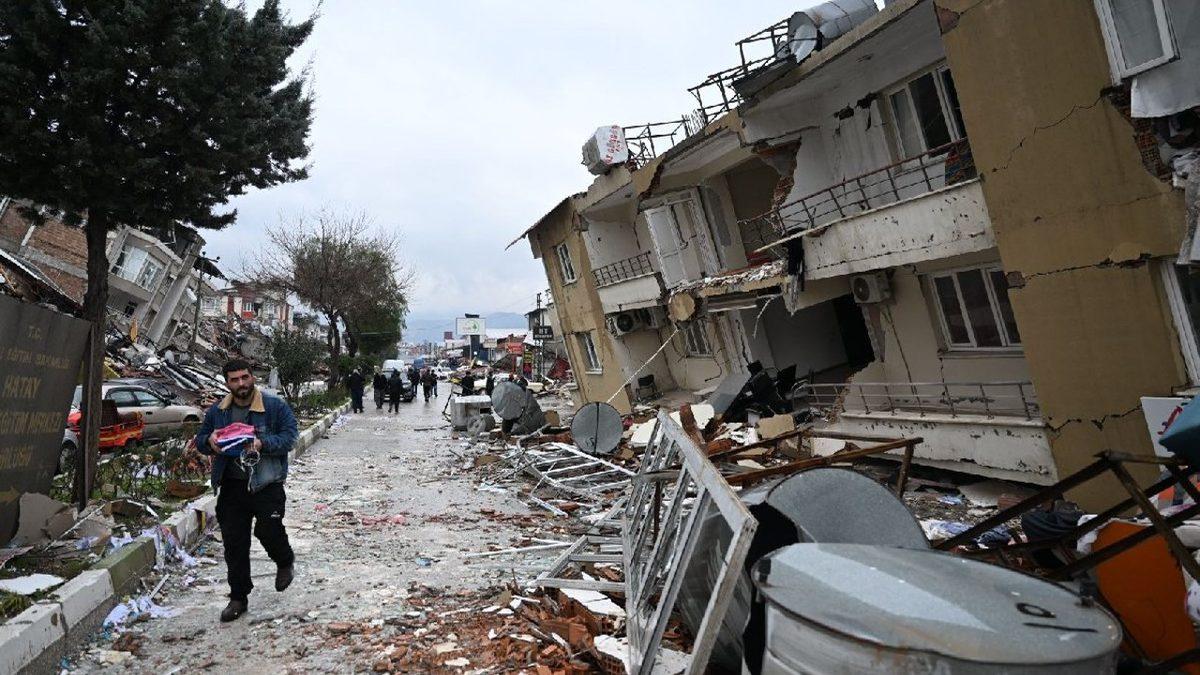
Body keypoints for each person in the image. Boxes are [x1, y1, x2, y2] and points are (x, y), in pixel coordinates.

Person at [195, 359, 297, 623]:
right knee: (234, 543)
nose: (241, 384)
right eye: (234, 380)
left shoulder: (274, 406)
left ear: (252, 377)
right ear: (227, 383)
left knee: (268, 529)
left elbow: (290, 438)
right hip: (231, 486)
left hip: (265, 484)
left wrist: (262, 443)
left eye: (244, 377)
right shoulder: (218, 411)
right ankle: (238, 597)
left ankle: (284, 560)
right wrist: (209, 441)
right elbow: (201, 439)